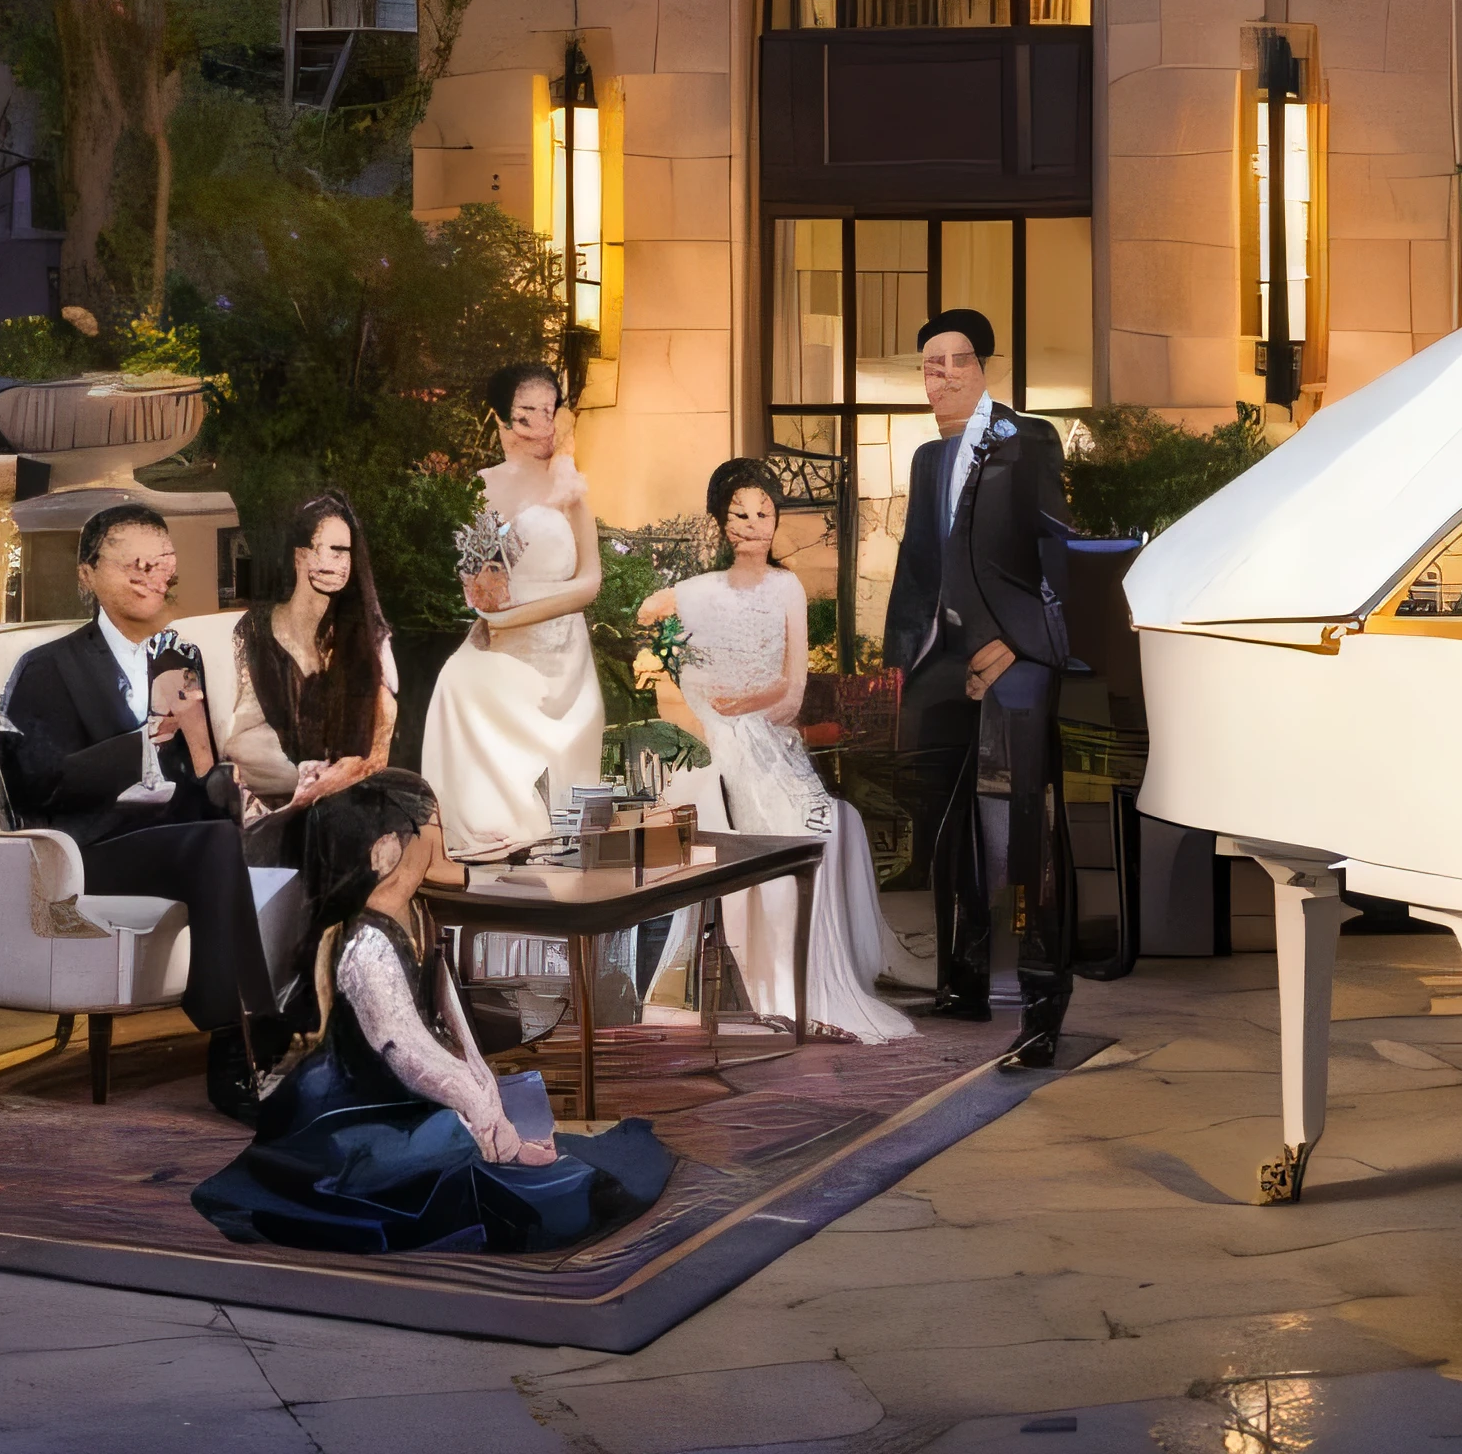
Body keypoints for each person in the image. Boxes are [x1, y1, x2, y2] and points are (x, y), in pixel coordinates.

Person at [190, 770, 672, 1254]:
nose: (443, 847)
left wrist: (487, 1096)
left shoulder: (418, 914)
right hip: (360, 1114)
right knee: (467, 1154)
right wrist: (492, 1128)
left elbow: (451, 1027)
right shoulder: (366, 945)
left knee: (498, 1132)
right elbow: (412, 1055)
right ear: (384, 850)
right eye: (432, 831)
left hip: (409, 1097)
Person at [0, 504, 281, 1124]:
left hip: (171, 837)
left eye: (165, 564)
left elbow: (201, 773)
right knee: (211, 846)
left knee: (250, 834)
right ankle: (238, 1044)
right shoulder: (48, 667)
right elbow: (38, 783)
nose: (156, 578)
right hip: (89, 849)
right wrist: (143, 740)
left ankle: (285, 1031)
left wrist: (235, 783)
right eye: (137, 566)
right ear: (88, 574)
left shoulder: (178, 658)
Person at [637, 459, 928, 1043]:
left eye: (764, 513)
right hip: (724, 743)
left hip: (772, 739)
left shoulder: (787, 587)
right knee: (724, 806)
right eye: (740, 514)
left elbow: (791, 691)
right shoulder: (702, 591)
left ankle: (797, 983)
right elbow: (648, 612)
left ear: (776, 521)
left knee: (808, 824)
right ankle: (744, 978)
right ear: (723, 524)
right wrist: (691, 677)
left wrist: (738, 705)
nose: (753, 524)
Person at [879, 308, 1076, 1071]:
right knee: (946, 821)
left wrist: (1017, 645)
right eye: (933, 364)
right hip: (945, 659)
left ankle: (1040, 1006)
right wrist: (904, 664)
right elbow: (917, 568)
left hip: (1018, 659)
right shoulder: (929, 460)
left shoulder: (1028, 439)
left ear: (984, 367)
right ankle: (961, 980)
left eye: (960, 360)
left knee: (1030, 830)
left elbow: (1051, 554)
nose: (946, 374)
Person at [227, 490, 401, 1023]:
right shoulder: (253, 633)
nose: (334, 564)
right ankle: (343, 998)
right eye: (324, 550)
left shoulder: (367, 636)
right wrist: (301, 777)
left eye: (345, 552)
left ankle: (359, 996)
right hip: (282, 800)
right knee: (343, 826)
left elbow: (380, 739)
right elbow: (240, 740)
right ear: (299, 555)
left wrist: (339, 776)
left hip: (351, 786)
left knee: (394, 811)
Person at [420, 364, 605, 859]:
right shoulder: (482, 489)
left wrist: (535, 610)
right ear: (501, 420)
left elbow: (590, 584)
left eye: (550, 412)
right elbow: (481, 592)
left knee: (565, 816)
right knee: (456, 681)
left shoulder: (571, 486)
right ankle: (480, 838)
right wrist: (521, 524)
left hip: (565, 657)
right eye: (528, 416)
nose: (543, 428)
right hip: (505, 646)